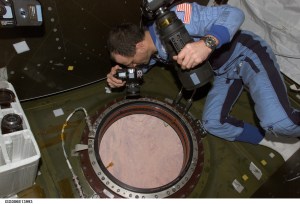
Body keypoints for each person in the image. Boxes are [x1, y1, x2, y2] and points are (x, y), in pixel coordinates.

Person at [106, 1, 300, 160]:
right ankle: (272, 142)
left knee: (278, 122)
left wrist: (207, 43)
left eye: (130, 63)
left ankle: (281, 126)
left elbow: (234, 14)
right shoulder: (150, 47)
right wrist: (120, 75)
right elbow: (143, 66)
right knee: (213, 123)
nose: (131, 66)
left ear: (139, 47)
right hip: (223, 71)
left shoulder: (177, 19)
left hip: (246, 54)